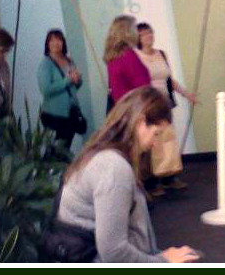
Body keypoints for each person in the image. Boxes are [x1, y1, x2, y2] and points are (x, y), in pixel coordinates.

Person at [56, 87, 200, 263]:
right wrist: (164, 262)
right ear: (140, 122)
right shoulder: (113, 167)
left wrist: (160, 257)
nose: (155, 143)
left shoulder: (103, 155)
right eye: (156, 134)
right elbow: (113, 253)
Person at [136, 22, 197, 194]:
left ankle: (169, 177)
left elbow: (169, 80)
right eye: (144, 34)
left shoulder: (161, 54)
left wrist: (186, 94)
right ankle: (150, 182)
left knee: (167, 140)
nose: (149, 36)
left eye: (150, 32)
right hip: (147, 104)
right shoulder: (137, 56)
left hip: (164, 103)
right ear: (138, 38)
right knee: (149, 142)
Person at [37, 29, 83, 149]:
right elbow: (46, 90)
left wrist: (78, 80)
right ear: (47, 44)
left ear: (63, 42)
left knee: (65, 149)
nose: (55, 43)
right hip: (54, 115)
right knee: (56, 152)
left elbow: (74, 86)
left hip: (71, 113)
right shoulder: (45, 64)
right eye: (51, 40)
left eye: (59, 39)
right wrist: (68, 80)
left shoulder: (69, 60)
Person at [104, 16, 150, 110]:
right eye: (135, 28)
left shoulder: (112, 57)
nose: (137, 32)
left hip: (122, 109)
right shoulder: (128, 55)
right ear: (128, 32)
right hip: (135, 108)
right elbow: (142, 86)